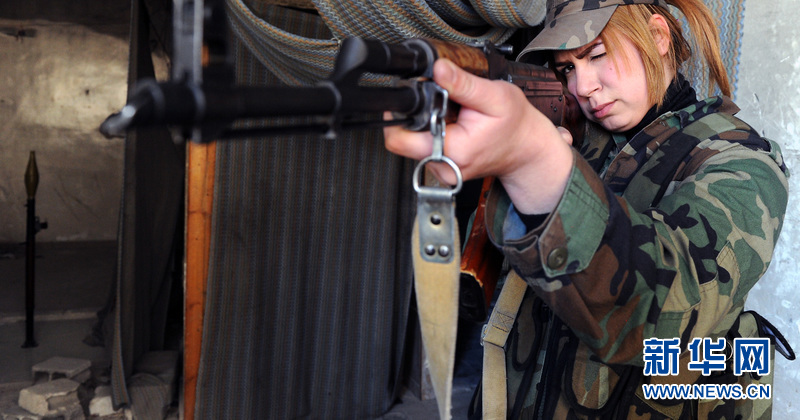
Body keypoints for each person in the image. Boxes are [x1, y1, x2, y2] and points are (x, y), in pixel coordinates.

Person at [384, 0, 792, 418]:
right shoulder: (576, 138)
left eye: (596, 55)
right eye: (567, 69)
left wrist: (538, 165)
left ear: (657, 36)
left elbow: (661, 313)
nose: (583, 87)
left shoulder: (741, 160)